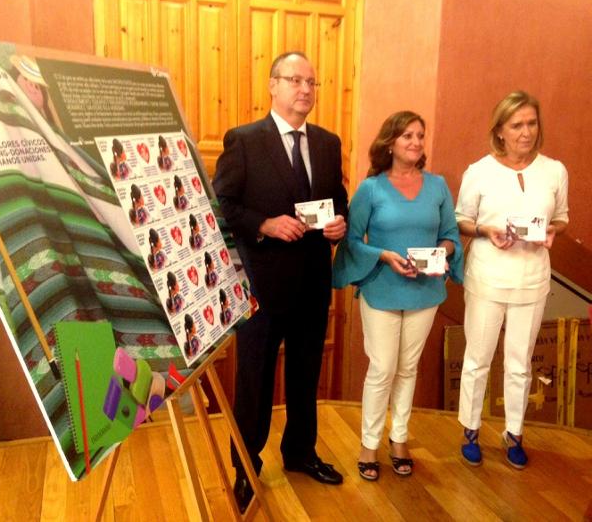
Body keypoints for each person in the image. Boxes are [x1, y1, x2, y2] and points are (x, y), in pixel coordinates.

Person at [212, 51, 348, 512]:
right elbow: (222, 205)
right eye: (295, 80)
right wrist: (265, 224)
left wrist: (339, 225)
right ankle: (246, 467)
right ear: (273, 85)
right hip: (262, 288)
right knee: (254, 380)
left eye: (312, 81)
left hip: (312, 283)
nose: (305, 89)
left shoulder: (328, 144)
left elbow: (339, 203)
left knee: (306, 375)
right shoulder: (245, 140)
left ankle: (300, 453)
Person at [332, 111, 463, 480]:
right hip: (382, 289)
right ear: (390, 142)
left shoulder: (437, 186)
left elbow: (451, 236)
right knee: (383, 368)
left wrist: (441, 254)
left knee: (408, 368)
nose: (416, 142)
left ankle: (399, 438)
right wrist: (384, 256)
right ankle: (369, 443)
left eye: (421, 135)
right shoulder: (371, 189)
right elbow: (353, 240)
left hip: (426, 291)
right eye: (408, 135)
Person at [455, 91, 568, 469]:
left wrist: (553, 230)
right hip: (488, 277)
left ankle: (514, 434)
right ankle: (470, 430)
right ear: (500, 131)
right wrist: (486, 231)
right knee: (478, 359)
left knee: (520, 364)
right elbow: (460, 219)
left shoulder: (554, 170)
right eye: (516, 125)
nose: (526, 132)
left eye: (531, 123)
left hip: (533, 279)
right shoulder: (480, 171)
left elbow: (563, 217)